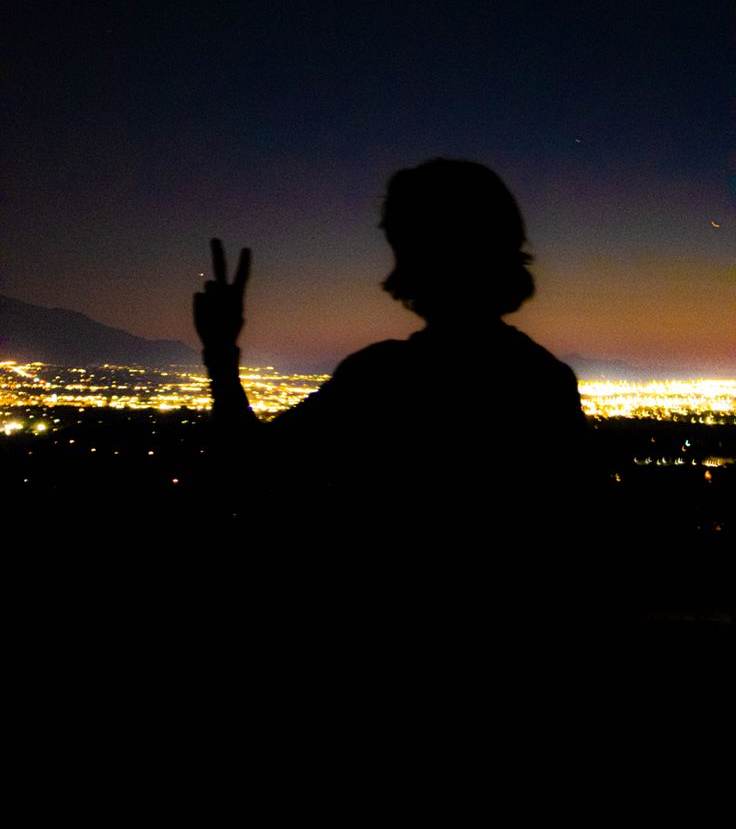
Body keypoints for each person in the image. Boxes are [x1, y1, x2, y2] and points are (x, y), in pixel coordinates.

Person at [194, 159, 595, 624]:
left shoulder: (380, 380)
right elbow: (571, 547)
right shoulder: (543, 382)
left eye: (403, 241)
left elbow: (251, 470)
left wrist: (222, 357)